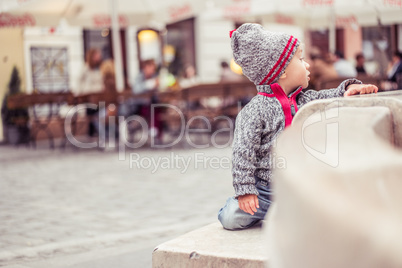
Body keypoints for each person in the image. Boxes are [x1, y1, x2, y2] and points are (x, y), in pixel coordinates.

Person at [217, 23, 378, 230]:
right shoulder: (254, 111)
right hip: (266, 191)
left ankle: (293, 210)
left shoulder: (305, 98)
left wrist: (349, 88)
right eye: (300, 59)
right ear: (281, 70)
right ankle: (265, 209)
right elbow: (243, 153)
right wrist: (246, 190)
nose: (308, 65)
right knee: (231, 218)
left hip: (302, 185)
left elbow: (326, 96)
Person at [77, 48, 104, 137]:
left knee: (98, 113)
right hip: (89, 95)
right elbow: (79, 81)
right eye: (97, 55)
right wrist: (79, 94)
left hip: (99, 95)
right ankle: (92, 133)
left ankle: (98, 132)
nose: (99, 57)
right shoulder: (86, 68)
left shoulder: (100, 68)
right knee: (91, 114)